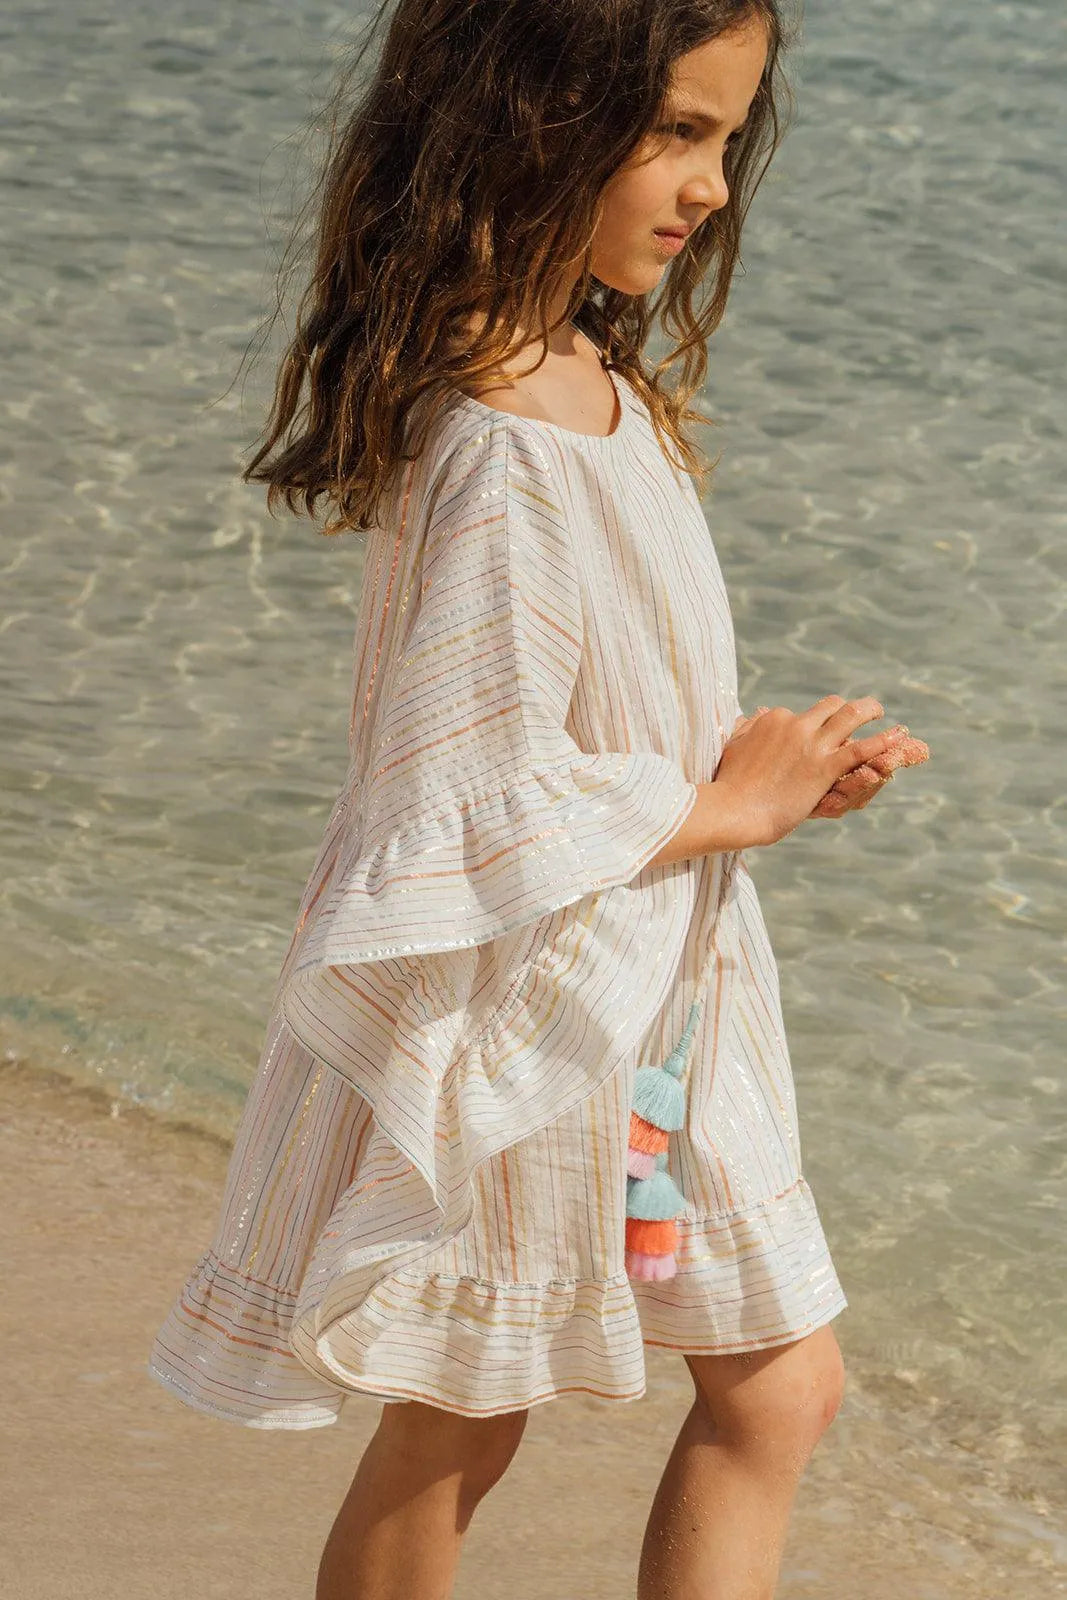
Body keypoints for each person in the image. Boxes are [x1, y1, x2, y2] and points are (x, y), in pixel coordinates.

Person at [147, 2, 911, 1595]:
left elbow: (573, 731)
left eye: (725, 137)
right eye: (676, 132)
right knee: (465, 1417)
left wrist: (763, 784)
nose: (708, 187)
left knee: (772, 1382)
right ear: (536, 115)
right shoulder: (499, 428)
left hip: (659, 1002)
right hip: (543, 1007)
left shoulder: (592, 385)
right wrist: (722, 813)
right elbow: (460, 786)